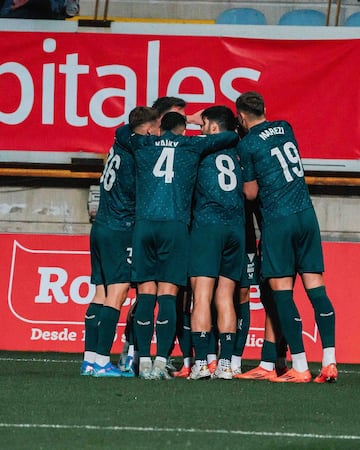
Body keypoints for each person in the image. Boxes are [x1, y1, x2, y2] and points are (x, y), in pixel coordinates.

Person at [116, 111, 239, 380]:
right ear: (183, 128)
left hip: (145, 224)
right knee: (169, 295)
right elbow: (230, 136)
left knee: (146, 295)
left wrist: (150, 131)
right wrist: (195, 125)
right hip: (175, 226)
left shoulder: (143, 144)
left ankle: (144, 361)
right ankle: (161, 361)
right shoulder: (192, 144)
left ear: (159, 127)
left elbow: (120, 132)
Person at [236, 91, 337, 383]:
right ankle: (329, 360)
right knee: (316, 288)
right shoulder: (286, 126)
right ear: (264, 109)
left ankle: (301, 366)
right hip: (306, 214)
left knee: (281, 292)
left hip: (278, 220)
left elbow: (252, 192)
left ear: (241, 118)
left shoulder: (248, 144)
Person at [80, 106, 159, 377]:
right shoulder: (138, 157)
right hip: (120, 229)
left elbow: (126, 130)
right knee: (118, 292)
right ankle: (102, 361)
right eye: (156, 129)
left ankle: (89, 360)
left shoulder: (121, 137)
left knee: (100, 293)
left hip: (100, 226)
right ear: (148, 130)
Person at [188, 106, 246, 380]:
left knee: (201, 295)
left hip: (208, 225)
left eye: (203, 123)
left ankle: (200, 363)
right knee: (225, 297)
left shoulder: (201, 146)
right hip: (235, 227)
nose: (199, 128)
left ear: (212, 127)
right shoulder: (238, 149)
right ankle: (225, 365)